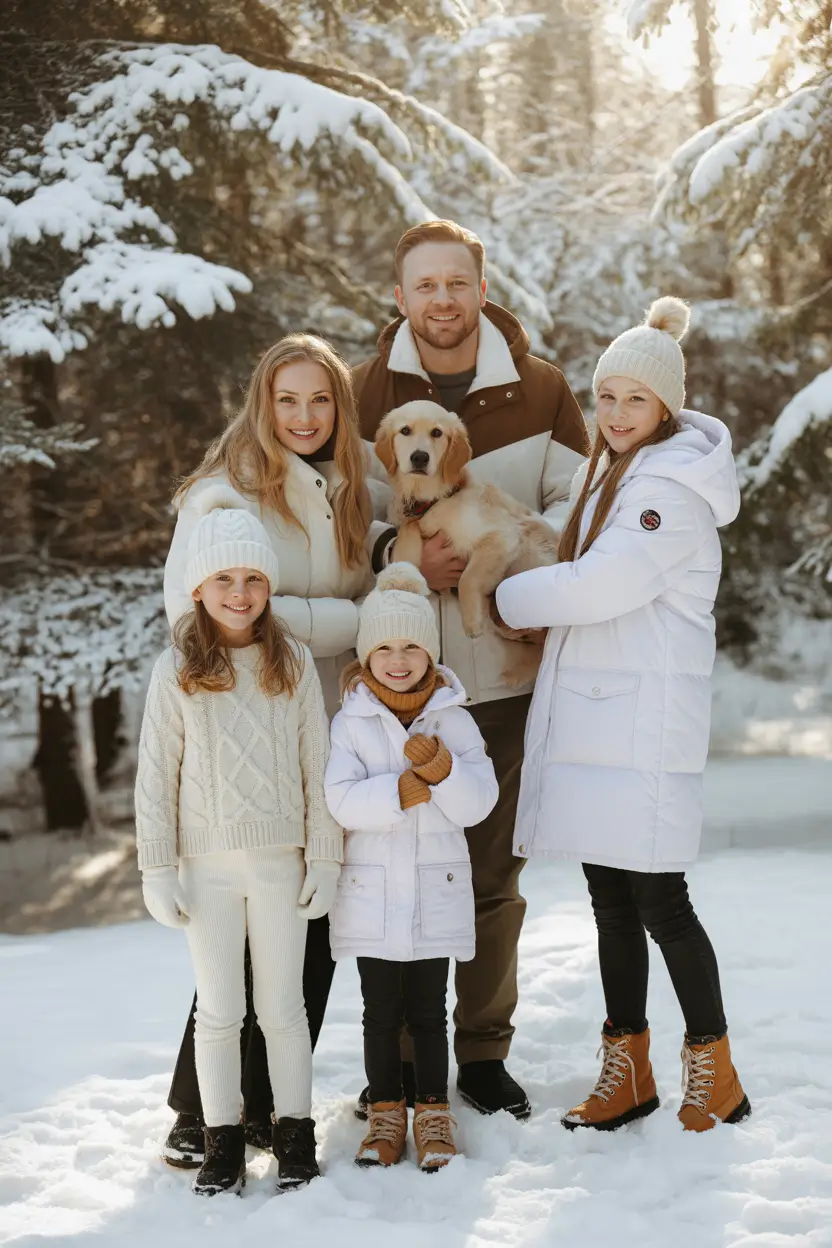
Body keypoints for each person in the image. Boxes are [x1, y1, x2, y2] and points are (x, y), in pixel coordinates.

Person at [495, 297, 750, 1133]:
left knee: (660, 901)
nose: (614, 413)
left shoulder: (667, 491)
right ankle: (628, 1066)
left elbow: (602, 585)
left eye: (634, 400)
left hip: (637, 727)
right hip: (603, 721)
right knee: (611, 901)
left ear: (666, 407)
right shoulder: (610, 472)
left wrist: (506, 596)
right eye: (605, 396)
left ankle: (713, 1068)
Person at [353, 219, 590, 1118]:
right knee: (398, 875)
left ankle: (484, 1056)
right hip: (396, 681)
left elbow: (578, 507)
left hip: (499, 676)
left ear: (479, 288)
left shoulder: (539, 391)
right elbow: (343, 511)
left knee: (491, 879)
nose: (443, 300)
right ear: (401, 297)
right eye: (425, 286)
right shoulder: (365, 390)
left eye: (458, 283)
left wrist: (530, 594)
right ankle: (408, 1065)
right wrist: (396, 553)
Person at [160, 334, 374, 1166]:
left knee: (306, 928)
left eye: (320, 399)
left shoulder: (347, 484)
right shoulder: (223, 497)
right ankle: (196, 1109)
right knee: (235, 937)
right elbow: (208, 615)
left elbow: (383, 553)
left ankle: (269, 1109)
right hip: (249, 739)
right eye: (288, 400)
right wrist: (359, 622)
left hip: (331, 727)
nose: (305, 416)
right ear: (261, 402)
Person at [135, 499, 343, 1194]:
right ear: (197, 589)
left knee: (283, 1009)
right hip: (206, 871)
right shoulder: (177, 671)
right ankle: (221, 1139)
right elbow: (155, 777)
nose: (239, 593)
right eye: (224, 580)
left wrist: (326, 854)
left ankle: (293, 1136)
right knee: (220, 1012)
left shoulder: (296, 665)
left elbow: (319, 767)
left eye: (253, 578)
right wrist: (158, 866)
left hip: (281, 865)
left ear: (268, 587)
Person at [324, 564, 498, 1170]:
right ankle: (386, 1114)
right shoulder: (348, 723)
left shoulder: (455, 719)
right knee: (379, 1013)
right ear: (366, 656)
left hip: (434, 890)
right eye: (385, 648)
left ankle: (432, 1111)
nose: (399, 660)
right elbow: (339, 800)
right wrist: (401, 790)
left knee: (428, 1010)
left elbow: (480, 803)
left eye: (412, 647)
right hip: (371, 892)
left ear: (431, 652)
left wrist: (444, 773)